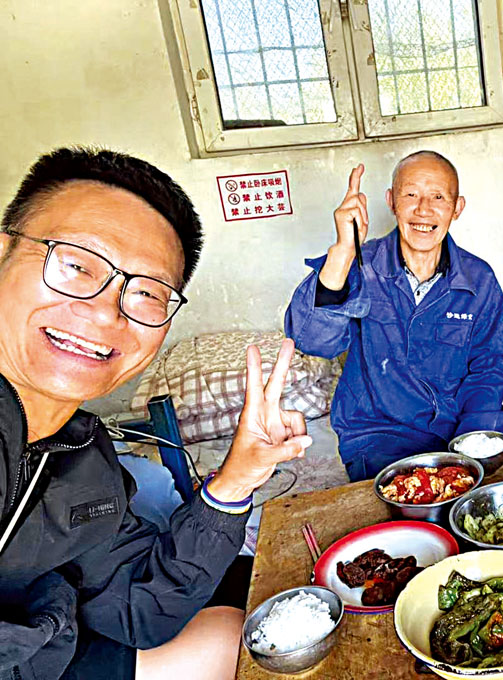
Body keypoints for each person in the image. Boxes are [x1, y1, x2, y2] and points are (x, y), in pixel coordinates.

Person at [0, 148, 312, 680]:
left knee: (234, 629)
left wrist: (234, 482)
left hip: (53, 645)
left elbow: (135, 609)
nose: (104, 311)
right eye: (75, 265)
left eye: (145, 292)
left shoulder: (84, 456)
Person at [285, 150, 503, 481]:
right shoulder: (360, 266)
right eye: (410, 195)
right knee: (402, 529)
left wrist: (475, 442)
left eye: (438, 196)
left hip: (456, 435)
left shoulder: (478, 279)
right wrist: (343, 251)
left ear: (457, 208)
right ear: (391, 201)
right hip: (378, 438)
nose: (423, 209)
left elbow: (491, 368)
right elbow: (311, 340)